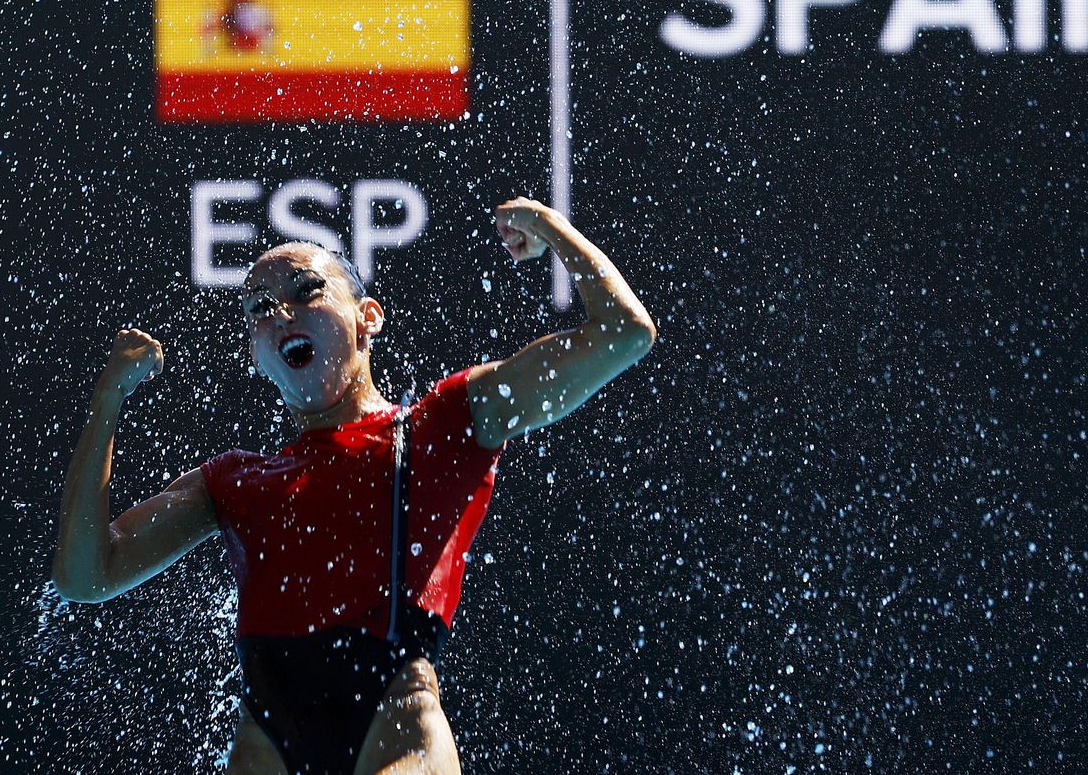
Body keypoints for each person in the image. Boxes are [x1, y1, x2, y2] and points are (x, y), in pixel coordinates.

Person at [53, 197, 656, 774]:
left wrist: (548, 226)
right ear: (257, 355)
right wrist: (107, 402)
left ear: (367, 318)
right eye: (259, 309)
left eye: (307, 292)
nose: (280, 313)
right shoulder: (232, 482)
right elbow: (87, 575)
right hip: (268, 742)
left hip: (395, 728)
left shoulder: (442, 424)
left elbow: (624, 334)